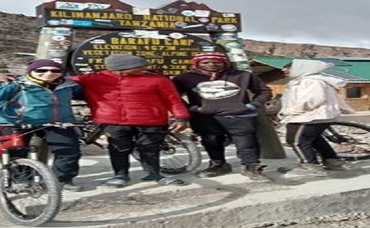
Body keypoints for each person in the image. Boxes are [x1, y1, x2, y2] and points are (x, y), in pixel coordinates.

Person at [68, 54, 190, 188]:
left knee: (150, 148)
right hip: (112, 120)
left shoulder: (158, 80)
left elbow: (173, 100)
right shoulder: (93, 79)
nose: (145, 68)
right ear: (120, 69)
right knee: (118, 148)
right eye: (139, 66)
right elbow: (59, 80)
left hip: (151, 120)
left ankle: (153, 173)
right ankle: (120, 175)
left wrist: (181, 117)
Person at [0, 59, 84, 192]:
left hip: (56, 122)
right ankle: (20, 179)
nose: (49, 73)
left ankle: (63, 179)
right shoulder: (15, 85)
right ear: (31, 71)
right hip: (15, 122)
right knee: (17, 151)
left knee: (69, 150)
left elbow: (89, 94)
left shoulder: (69, 86)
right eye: (41, 70)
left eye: (55, 70)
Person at [172, 52, 272, 180]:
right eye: (205, 62)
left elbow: (264, 91)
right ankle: (218, 164)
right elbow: (173, 96)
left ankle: (251, 166)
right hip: (205, 117)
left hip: (239, 116)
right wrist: (192, 108)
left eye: (217, 62)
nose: (211, 65)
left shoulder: (243, 75)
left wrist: (251, 106)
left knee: (246, 142)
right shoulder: (184, 78)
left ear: (225, 63)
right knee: (211, 141)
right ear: (197, 64)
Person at [278, 59, 354, 176]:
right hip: (316, 116)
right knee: (314, 138)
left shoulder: (311, 81)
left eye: (288, 67)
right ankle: (332, 161)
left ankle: (309, 166)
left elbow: (311, 100)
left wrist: (291, 112)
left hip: (309, 117)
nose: (284, 70)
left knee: (296, 140)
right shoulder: (308, 80)